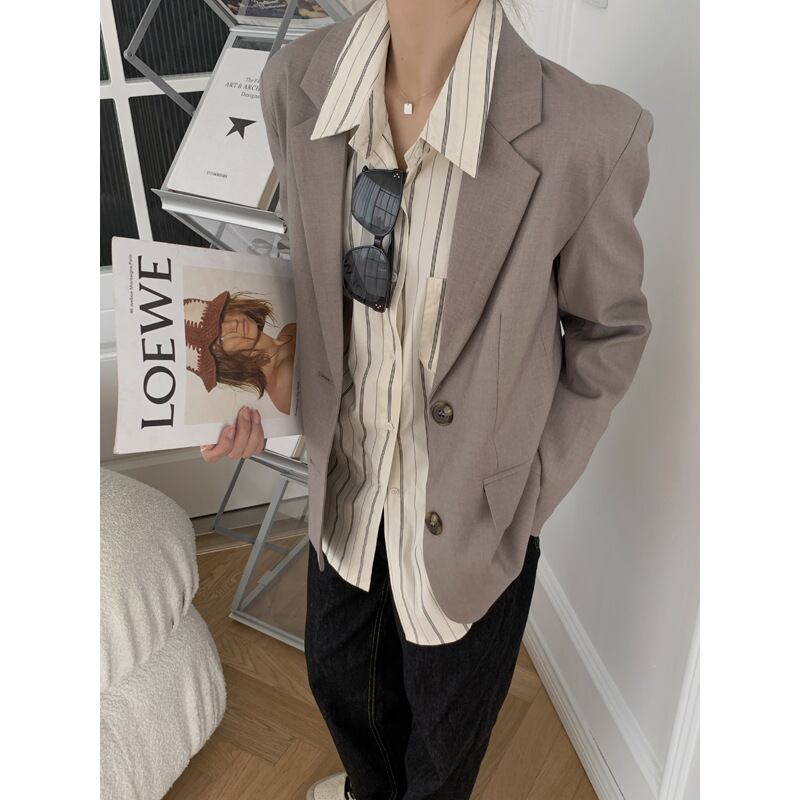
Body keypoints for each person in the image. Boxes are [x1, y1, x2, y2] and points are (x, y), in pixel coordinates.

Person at [201, 0, 654, 797]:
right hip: (343, 507)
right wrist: (261, 403)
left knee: (444, 752)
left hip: (473, 536)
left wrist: (524, 492)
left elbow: (609, 331)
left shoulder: (589, 135)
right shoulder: (293, 84)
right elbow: (312, 285)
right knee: (343, 689)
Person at [185, 289, 296, 415]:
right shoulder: (285, 385)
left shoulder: (288, 331)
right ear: (225, 364)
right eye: (221, 339)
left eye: (221, 316)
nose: (233, 324)